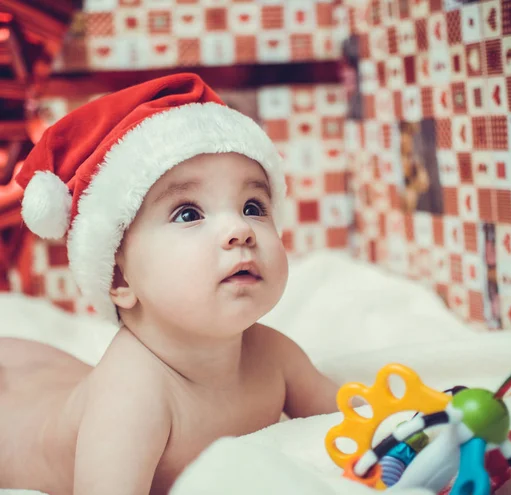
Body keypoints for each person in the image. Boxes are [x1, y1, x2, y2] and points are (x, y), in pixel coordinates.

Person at [0, 73, 339, 495]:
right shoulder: (132, 397)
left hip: (52, 376)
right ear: (120, 277)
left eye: (253, 206)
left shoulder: (274, 355)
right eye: (188, 214)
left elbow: (356, 421)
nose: (240, 228)